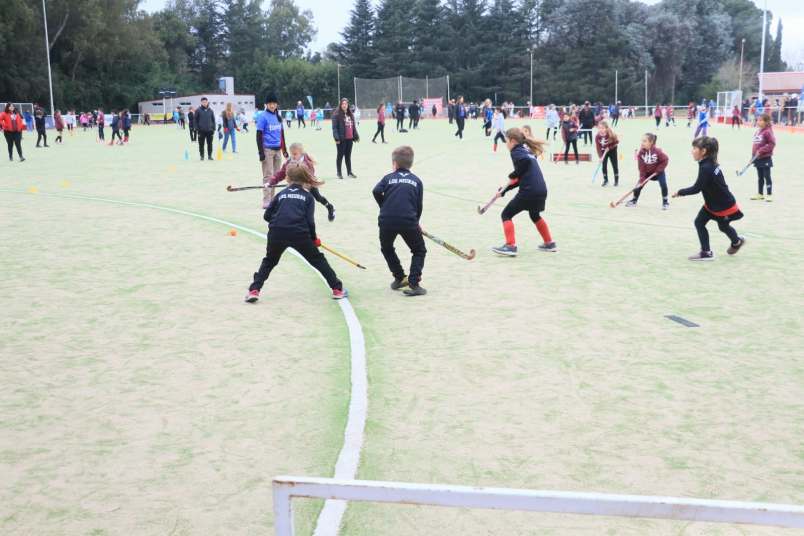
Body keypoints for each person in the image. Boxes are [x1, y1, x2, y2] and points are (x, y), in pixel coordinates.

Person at [244, 164, 348, 303]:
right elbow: (310, 222)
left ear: (287, 178)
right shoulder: (308, 197)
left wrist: (278, 222)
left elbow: (267, 216)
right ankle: (337, 289)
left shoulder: (280, 194)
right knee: (318, 260)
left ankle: (254, 290)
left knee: (269, 262)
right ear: (305, 178)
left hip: (277, 233)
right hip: (299, 234)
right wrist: (314, 239)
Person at [672, 137, 745, 261]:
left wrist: (680, 192)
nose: (692, 151)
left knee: (720, 226)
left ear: (703, 151)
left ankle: (708, 252)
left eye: (695, 148)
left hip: (722, 206)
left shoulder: (706, 167)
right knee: (705, 223)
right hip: (714, 203)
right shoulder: (709, 163)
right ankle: (736, 242)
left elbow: (697, 188)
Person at [372, 145, 427, 296]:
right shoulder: (417, 181)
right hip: (408, 220)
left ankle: (399, 277)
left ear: (394, 164)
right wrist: (416, 222)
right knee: (419, 250)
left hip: (386, 220)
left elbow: (376, 191)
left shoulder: (388, 178)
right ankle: (414, 284)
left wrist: (384, 205)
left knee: (387, 248)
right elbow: (418, 205)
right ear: (411, 163)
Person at [491, 128, 556, 256]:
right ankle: (549, 243)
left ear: (513, 141)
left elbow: (519, 171)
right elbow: (521, 177)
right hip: (540, 190)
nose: (506, 144)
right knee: (534, 215)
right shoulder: (526, 150)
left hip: (529, 191)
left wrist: (512, 174)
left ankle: (510, 246)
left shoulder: (516, 152)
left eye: (506, 141)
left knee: (506, 214)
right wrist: (504, 190)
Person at [266, 142, 336, 221]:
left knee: (318, 198)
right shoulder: (289, 162)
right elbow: (281, 173)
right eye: (291, 154)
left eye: (295, 154)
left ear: (301, 153)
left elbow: (310, 174)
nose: (293, 156)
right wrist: (270, 182)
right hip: (296, 185)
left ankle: (330, 208)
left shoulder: (307, 162)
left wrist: (305, 184)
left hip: (308, 184)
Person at [256, 93, 288, 208]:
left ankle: (273, 199)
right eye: (270, 103)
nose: (272, 105)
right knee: (268, 175)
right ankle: (266, 200)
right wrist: (261, 152)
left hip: (278, 150)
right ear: (266, 104)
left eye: (274, 103)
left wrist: (284, 150)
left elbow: (282, 134)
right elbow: (259, 135)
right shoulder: (262, 116)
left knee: (276, 176)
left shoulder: (278, 117)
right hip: (267, 150)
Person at [627, 132, 670, 209]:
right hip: (647, 173)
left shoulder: (657, 151)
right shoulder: (641, 153)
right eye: (642, 141)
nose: (642, 143)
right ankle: (634, 200)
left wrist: (658, 170)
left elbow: (665, 160)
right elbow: (641, 167)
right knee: (638, 186)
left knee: (663, 184)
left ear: (651, 142)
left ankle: (665, 201)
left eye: (644, 141)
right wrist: (642, 179)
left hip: (658, 172)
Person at [750, 113, 776, 202]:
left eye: (760, 120)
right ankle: (760, 194)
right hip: (757, 158)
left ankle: (769, 194)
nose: (758, 121)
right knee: (760, 177)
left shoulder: (768, 131)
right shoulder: (758, 131)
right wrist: (752, 157)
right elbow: (755, 145)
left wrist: (761, 150)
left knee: (767, 176)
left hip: (765, 158)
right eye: (758, 120)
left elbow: (772, 144)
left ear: (766, 122)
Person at [332, 98, 359, 179]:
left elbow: (353, 126)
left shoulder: (350, 114)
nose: (344, 105)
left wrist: (355, 135)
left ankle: (349, 172)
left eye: (346, 104)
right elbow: (334, 128)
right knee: (340, 156)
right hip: (341, 139)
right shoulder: (336, 115)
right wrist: (336, 138)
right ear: (340, 105)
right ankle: (339, 173)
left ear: (348, 105)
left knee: (348, 156)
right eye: (343, 104)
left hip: (349, 139)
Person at [595, 120, 619, 187]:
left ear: (606, 128)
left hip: (612, 151)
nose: (601, 130)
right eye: (599, 128)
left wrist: (609, 148)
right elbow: (598, 147)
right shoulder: (597, 136)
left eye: (602, 128)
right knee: (604, 166)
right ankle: (605, 180)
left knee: (614, 165)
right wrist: (600, 157)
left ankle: (616, 180)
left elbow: (616, 142)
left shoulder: (610, 134)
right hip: (603, 152)